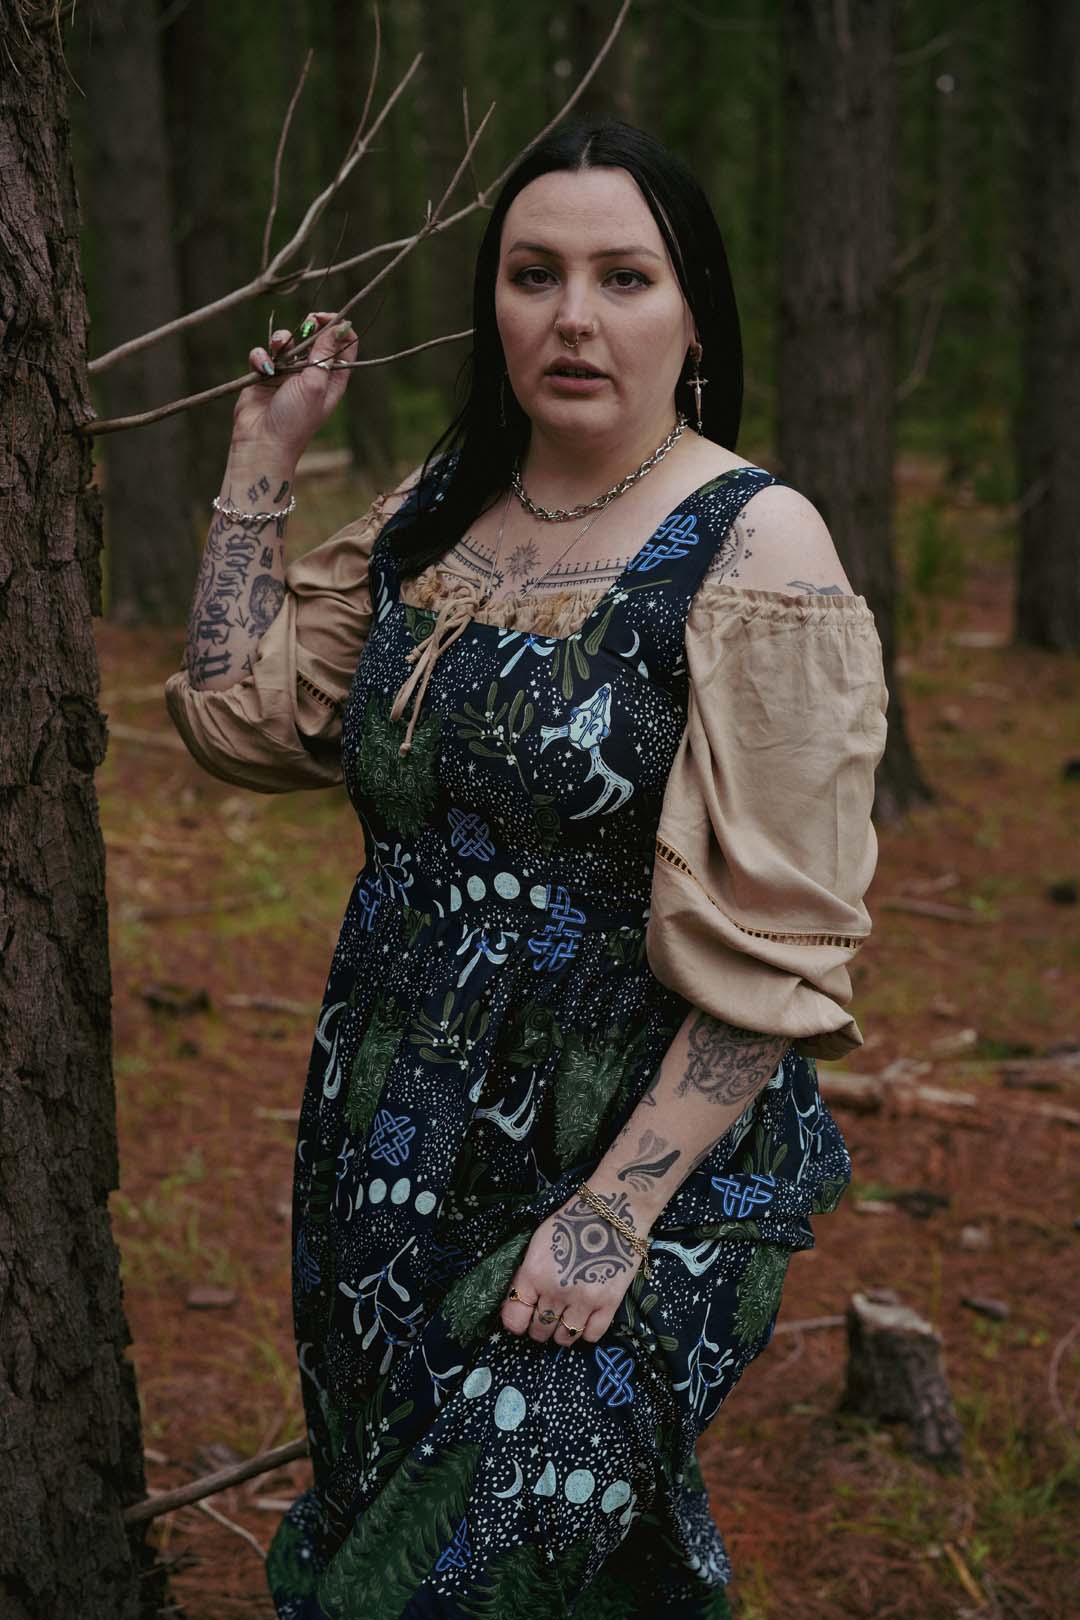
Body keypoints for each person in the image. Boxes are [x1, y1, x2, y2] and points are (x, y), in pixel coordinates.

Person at [165, 119, 888, 1620]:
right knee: (530, 1568)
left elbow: (784, 938)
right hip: (387, 1144)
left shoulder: (756, 544)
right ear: (492, 304)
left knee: (424, 1585)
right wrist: (261, 458)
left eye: (625, 277)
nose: (573, 315)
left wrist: (613, 1211)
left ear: (694, 315)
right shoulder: (440, 512)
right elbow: (243, 719)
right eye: (533, 273)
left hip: (636, 1164)